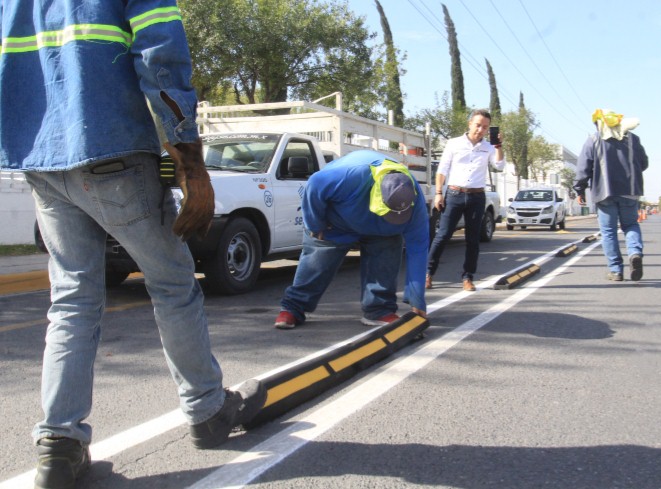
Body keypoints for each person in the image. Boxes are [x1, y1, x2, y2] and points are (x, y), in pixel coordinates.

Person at [0, 2, 266, 488]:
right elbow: (161, 57)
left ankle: (59, 444)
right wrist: (191, 164)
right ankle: (207, 409)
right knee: (172, 284)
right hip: (114, 152)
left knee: (73, 300)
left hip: (39, 157)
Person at [274, 149, 429, 329]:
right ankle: (293, 308)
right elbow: (314, 186)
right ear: (377, 196)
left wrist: (418, 301)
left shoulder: (414, 198)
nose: (396, 215)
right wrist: (316, 226)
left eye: (399, 214)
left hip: (383, 232)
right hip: (337, 223)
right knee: (316, 263)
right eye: (390, 212)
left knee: (385, 261)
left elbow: (418, 249)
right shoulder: (349, 176)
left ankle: (379, 310)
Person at [425, 109, 505, 291]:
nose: (480, 130)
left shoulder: (489, 147)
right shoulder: (454, 143)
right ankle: (428, 274)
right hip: (454, 195)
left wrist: (499, 147)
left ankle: (468, 277)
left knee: (473, 240)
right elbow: (442, 169)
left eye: (485, 127)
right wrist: (438, 193)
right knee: (442, 235)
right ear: (470, 124)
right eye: (477, 125)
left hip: (477, 197)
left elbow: (499, 165)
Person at [574, 109, 649, 282]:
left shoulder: (593, 140)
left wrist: (580, 189)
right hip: (630, 192)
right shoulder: (633, 139)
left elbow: (583, 167)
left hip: (604, 192)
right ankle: (635, 253)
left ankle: (616, 271)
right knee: (630, 225)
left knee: (608, 232)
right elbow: (644, 163)